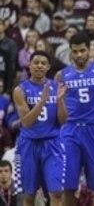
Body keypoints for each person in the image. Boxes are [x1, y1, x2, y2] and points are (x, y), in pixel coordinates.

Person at [54, 33, 94, 206]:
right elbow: (60, 118)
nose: (79, 55)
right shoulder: (61, 76)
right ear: (70, 52)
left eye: (82, 50)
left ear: (89, 50)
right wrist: (59, 101)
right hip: (70, 131)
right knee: (68, 186)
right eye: (75, 51)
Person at [12, 51, 67, 206]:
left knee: (56, 193)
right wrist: (42, 101)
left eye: (43, 63)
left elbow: (63, 120)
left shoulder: (57, 87)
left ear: (48, 66)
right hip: (28, 144)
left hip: (52, 144)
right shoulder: (20, 90)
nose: (39, 66)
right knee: (29, 195)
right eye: (36, 62)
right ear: (29, 65)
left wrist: (61, 101)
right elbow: (26, 122)